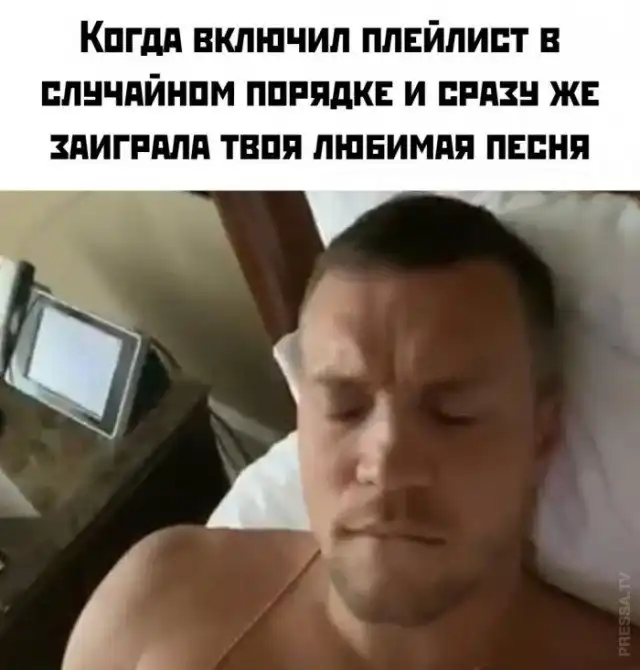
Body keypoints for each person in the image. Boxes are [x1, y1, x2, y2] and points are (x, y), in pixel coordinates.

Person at [63, 195, 638, 669]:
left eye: (452, 413)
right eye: (343, 407)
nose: (384, 460)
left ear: (541, 435)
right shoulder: (158, 598)